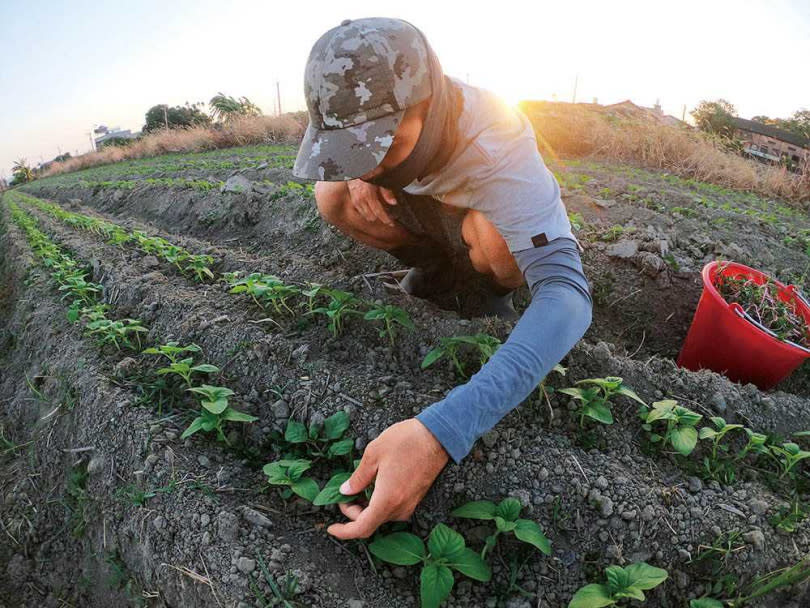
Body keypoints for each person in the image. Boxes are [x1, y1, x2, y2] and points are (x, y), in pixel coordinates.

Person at [293, 17, 593, 540]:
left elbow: (567, 296)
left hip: (480, 216)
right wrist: (357, 172)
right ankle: (434, 270)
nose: (368, 164)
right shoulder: (361, 109)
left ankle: (489, 288)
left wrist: (443, 430)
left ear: (427, 104)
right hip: (426, 212)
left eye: (380, 145)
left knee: (496, 240)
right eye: (353, 150)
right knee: (331, 195)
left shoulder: (498, 141)